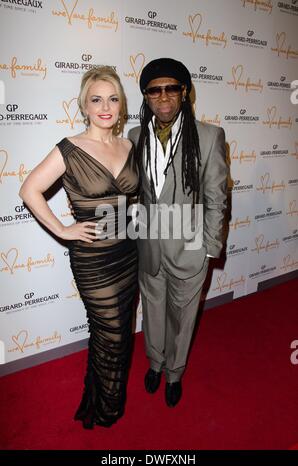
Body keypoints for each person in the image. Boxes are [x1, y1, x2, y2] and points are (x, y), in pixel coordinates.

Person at [19, 66, 139, 429]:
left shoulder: (129, 145)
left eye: (113, 99)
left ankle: (100, 397)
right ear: (84, 105)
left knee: (116, 330)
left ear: (121, 106)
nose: (106, 106)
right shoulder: (70, 148)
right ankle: (106, 406)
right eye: (97, 99)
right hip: (93, 259)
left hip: (128, 251)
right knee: (112, 331)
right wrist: (63, 229)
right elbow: (29, 190)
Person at [128, 58, 228, 407]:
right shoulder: (135, 136)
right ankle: (155, 363)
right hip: (150, 246)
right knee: (153, 312)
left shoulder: (209, 136)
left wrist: (209, 248)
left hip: (190, 249)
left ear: (184, 92)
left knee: (183, 318)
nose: (164, 97)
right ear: (146, 97)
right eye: (155, 90)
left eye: (172, 88)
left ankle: (175, 372)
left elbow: (216, 195)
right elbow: (136, 193)